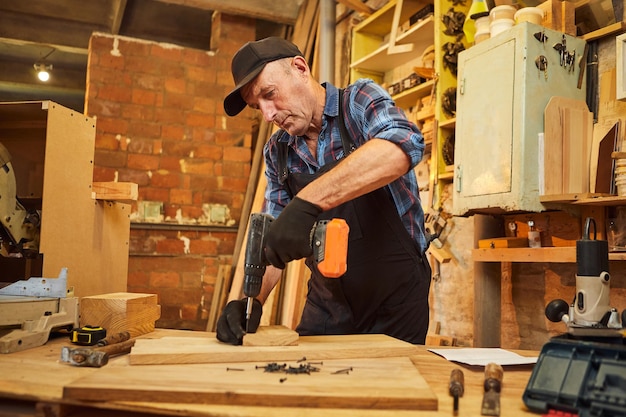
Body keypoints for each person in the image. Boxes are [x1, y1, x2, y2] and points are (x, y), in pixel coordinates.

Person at [217, 37, 431, 345]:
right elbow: (274, 239)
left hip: (395, 301)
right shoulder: (278, 152)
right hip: (329, 305)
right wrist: (251, 301)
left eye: (269, 94)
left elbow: (403, 145)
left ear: (300, 68)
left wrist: (308, 201)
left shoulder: (357, 102)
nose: (267, 114)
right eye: (257, 106)